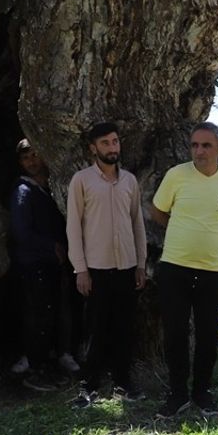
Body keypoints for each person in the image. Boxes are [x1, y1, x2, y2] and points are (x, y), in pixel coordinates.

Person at [151, 122, 218, 419]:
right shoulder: (176, 176)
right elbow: (158, 212)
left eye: (206, 145)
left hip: (212, 272)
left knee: (208, 335)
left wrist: (213, 240)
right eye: (195, 145)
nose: (199, 151)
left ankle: (202, 393)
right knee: (175, 334)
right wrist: (183, 230)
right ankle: (177, 393)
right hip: (174, 269)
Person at [66, 121, 148, 405]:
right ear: (93, 148)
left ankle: (123, 382)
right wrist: (81, 269)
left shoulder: (129, 181)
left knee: (124, 327)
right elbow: (73, 227)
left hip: (126, 267)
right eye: (105, 143)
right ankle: (89, 384)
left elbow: (137, 222)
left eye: (115, 142)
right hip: (96, 269)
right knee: (97, 328)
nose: (112, 148)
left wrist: (140, 263)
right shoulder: (82, 181)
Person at [8, 138, 77, 390]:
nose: (32, 161)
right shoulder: (23, 192)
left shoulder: (51, 188)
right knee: (38, 313)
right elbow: (20, 230)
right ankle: (36, 365)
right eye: (26, 158)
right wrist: (51, 246)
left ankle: (61, 354)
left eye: (36, 155)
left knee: (59, 309)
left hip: (55, 262)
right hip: (34, 262)